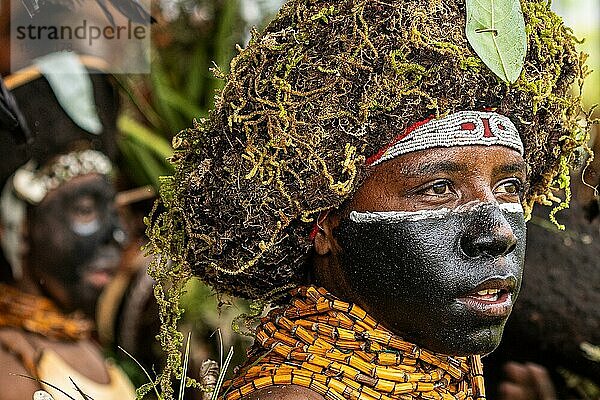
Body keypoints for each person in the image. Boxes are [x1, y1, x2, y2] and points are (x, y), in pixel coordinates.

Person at [147, 0, 590, 399]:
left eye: (508, 186)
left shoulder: (447, 369)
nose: (497, 233)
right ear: (323, 221)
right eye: (438, 189)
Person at [0, 55, 136, 400]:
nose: (118, 236)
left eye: (113, 210)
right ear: (19, 226)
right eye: (86, 208)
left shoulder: (91, 348)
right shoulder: (10, 362)